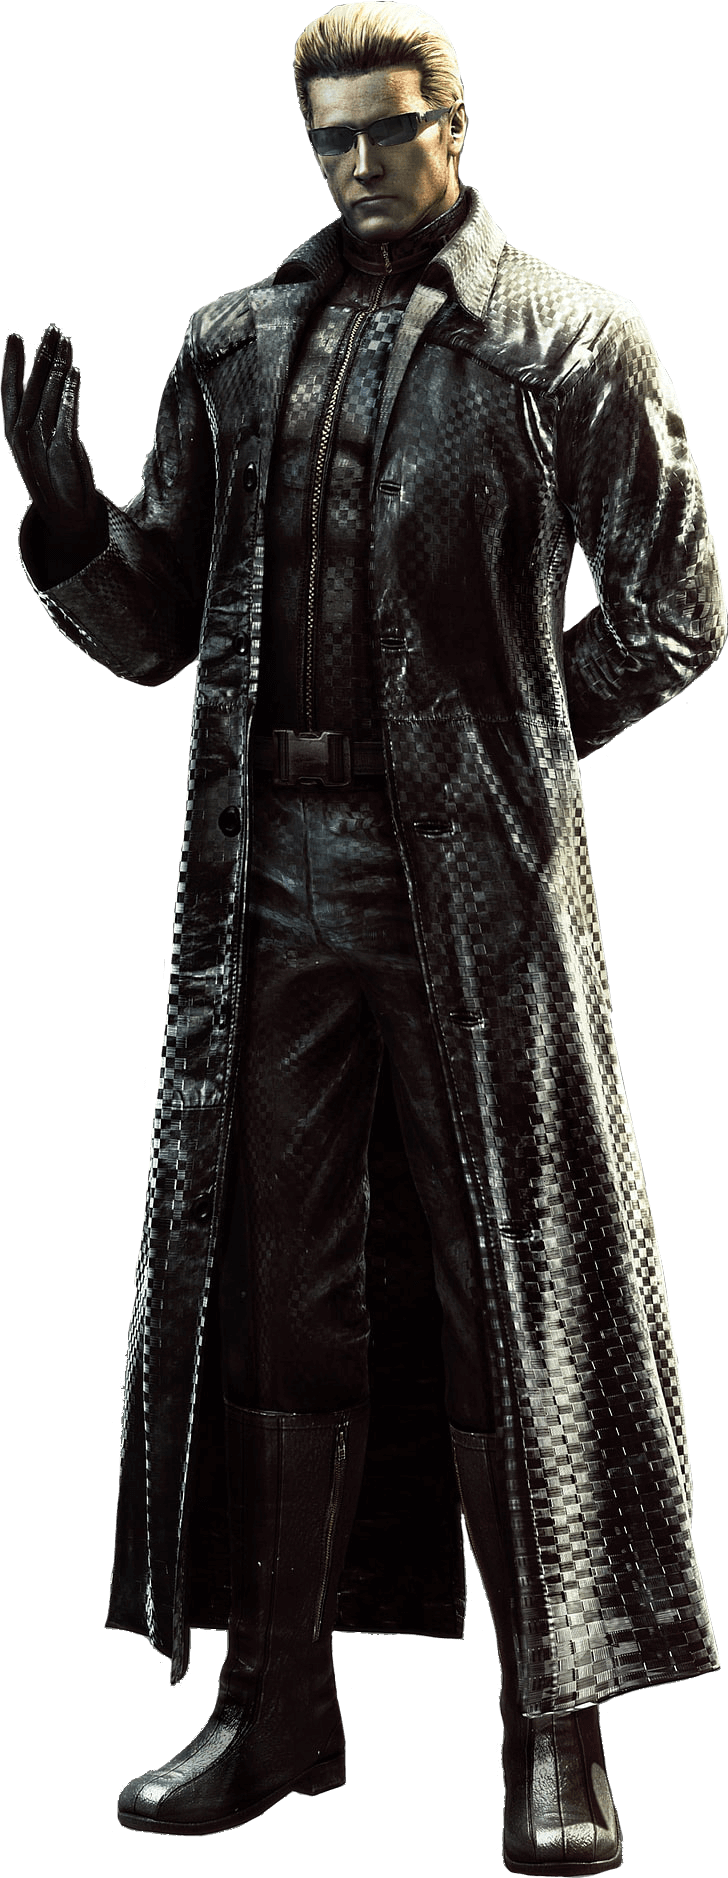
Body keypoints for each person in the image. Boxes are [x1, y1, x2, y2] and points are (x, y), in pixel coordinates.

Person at [2, 3, 722, 1866]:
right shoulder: (236, 344)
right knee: (278, 1289)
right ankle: (278, 1703)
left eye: (392, 129)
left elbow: (677, 609)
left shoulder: (568, 337)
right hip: (271, 878)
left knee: (509, 1281)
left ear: (457, 122)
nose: (361, 164)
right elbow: (155, 626)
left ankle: (553, 1727)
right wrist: (68, 515)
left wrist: (512, 748)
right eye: (331, 136)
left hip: (472, 891)